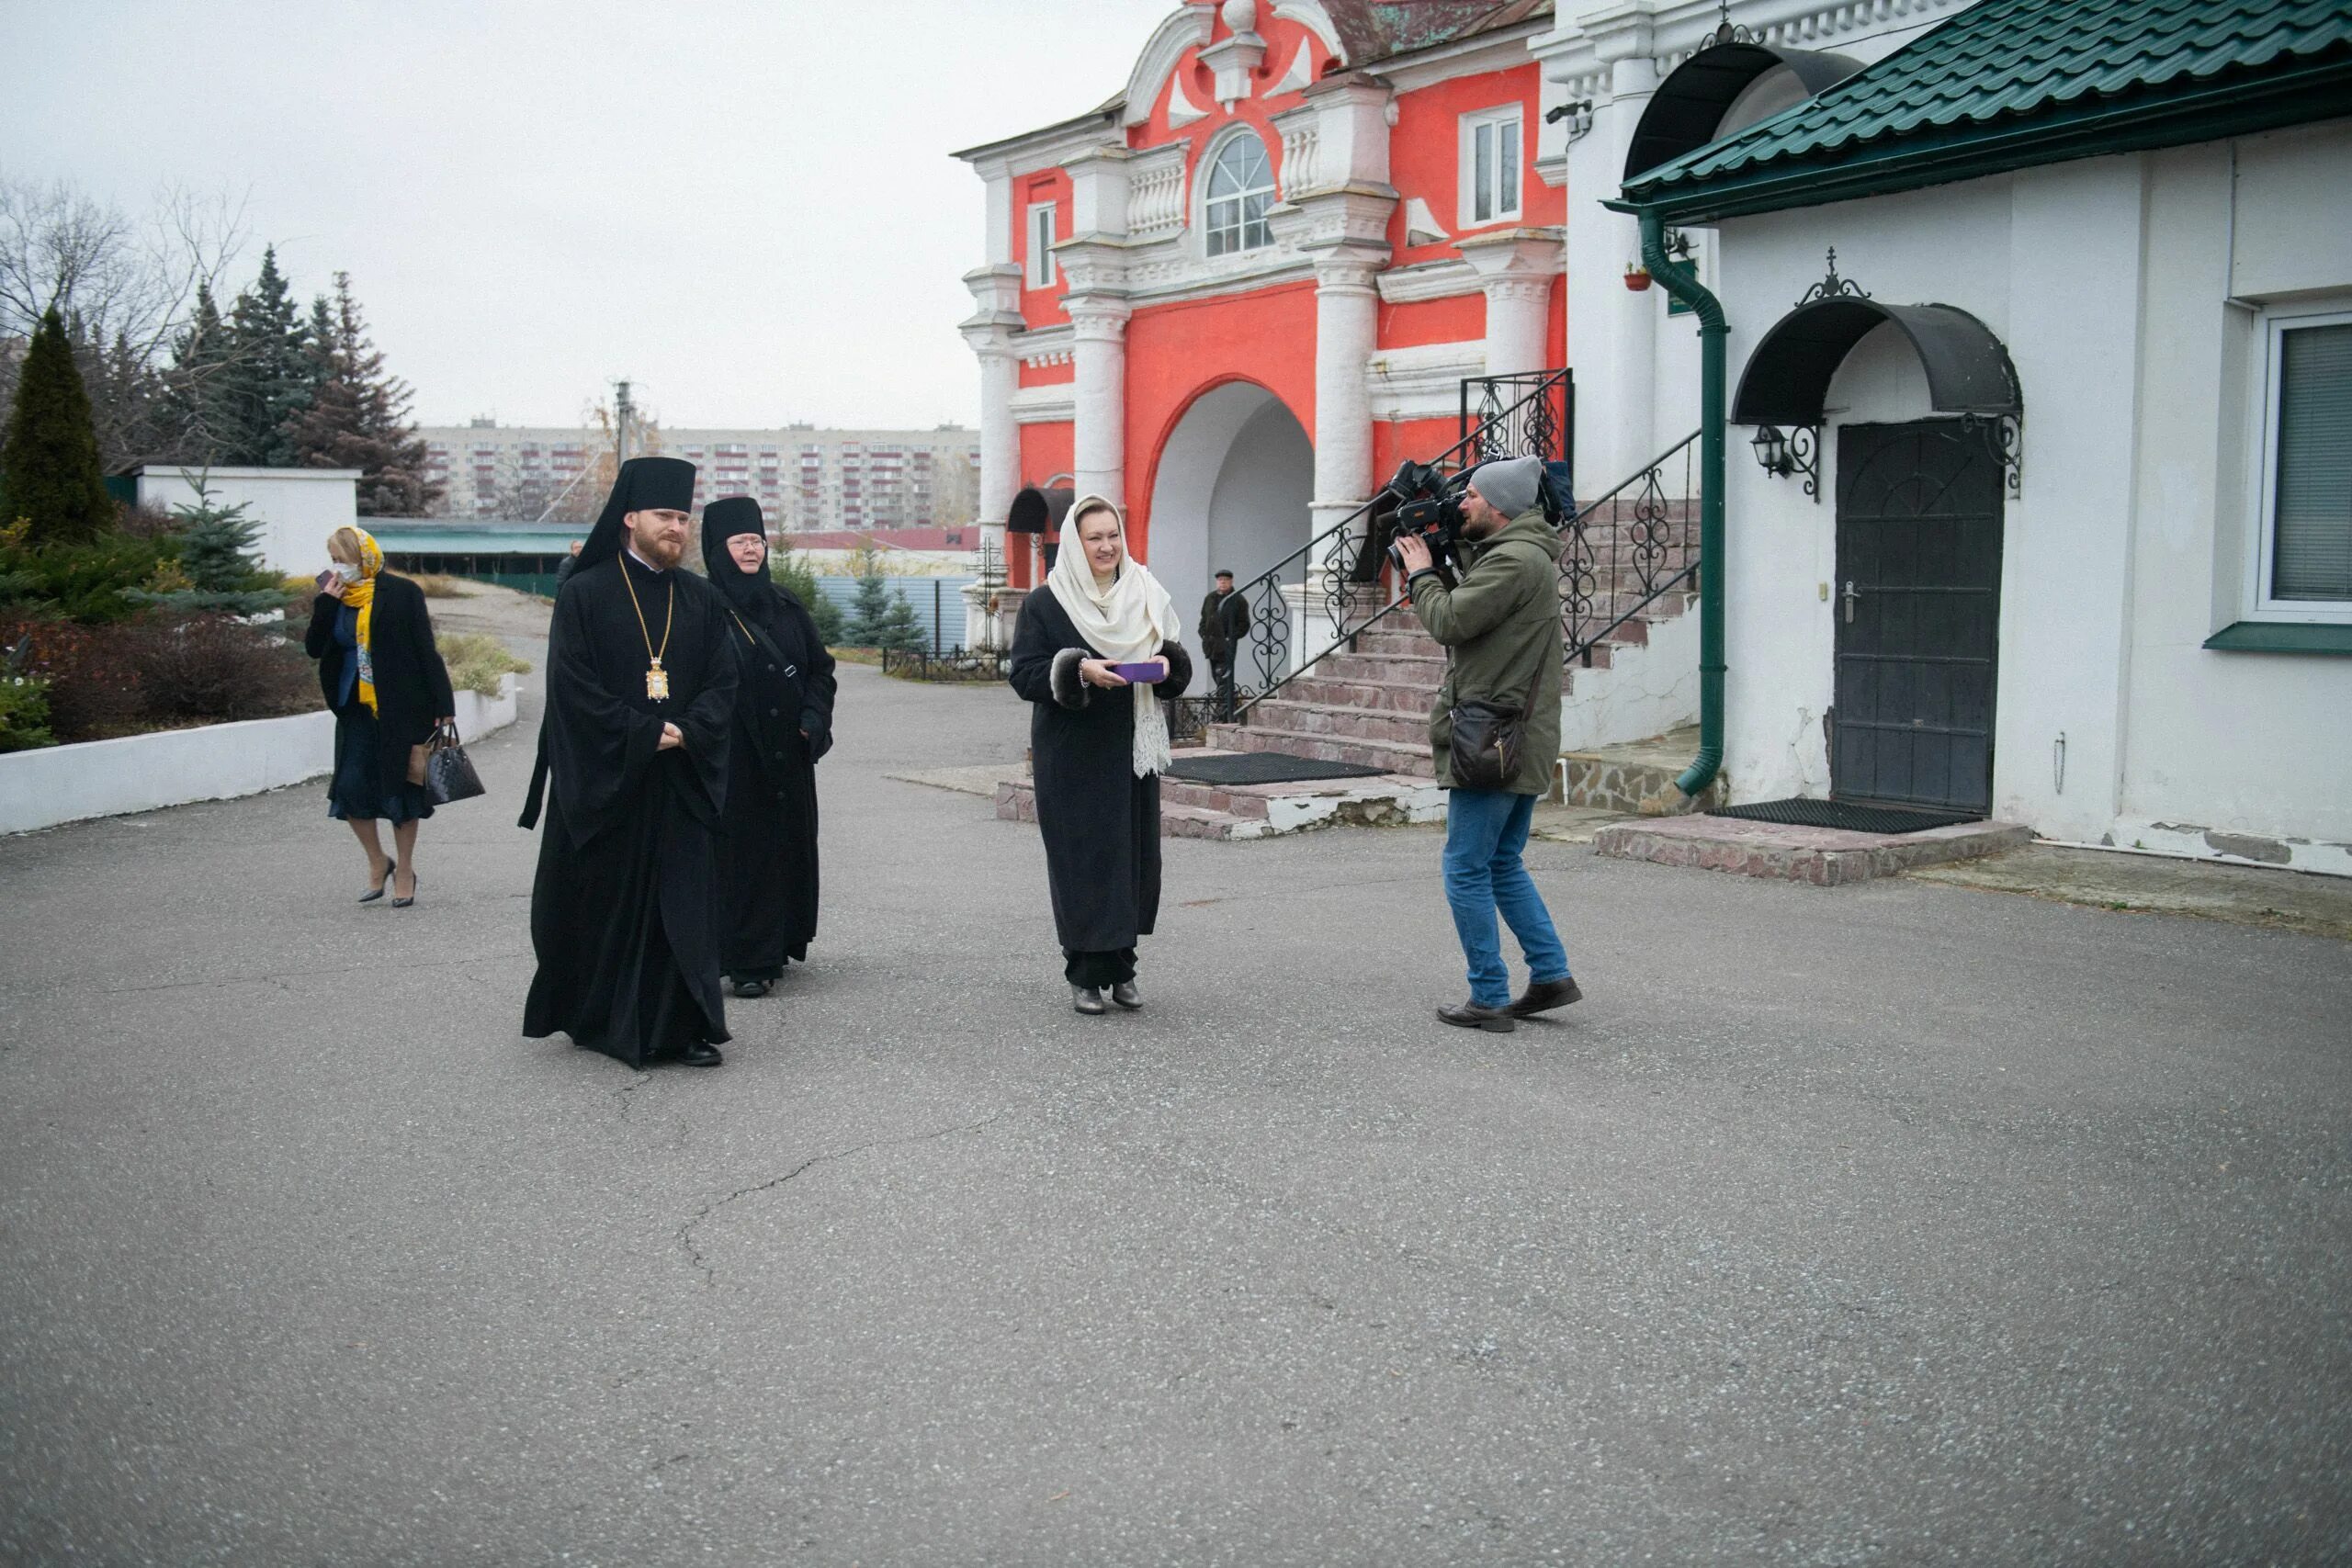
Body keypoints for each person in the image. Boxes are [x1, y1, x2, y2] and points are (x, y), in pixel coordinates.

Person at [519, 457, 740, 1069]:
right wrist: (644, 732)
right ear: (629, 518)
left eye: (683, 518)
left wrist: (688, 730)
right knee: (607, 909)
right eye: (665, 517)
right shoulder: (584, 594)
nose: (677, 528)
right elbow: (572, 688)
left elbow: (725, 681)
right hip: (610, 781)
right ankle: (600, 1020)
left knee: (683, 910)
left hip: (679, 778)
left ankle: (685, 1026)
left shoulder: (700, 597)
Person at [1392, 455, 1579, 1033]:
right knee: (1501, 861)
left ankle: (1488, 996)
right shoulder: (1519, 555)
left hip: (1493, 736)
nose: (1460, 502)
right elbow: (1476, 603)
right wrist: (1446, 549)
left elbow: (1450, 621)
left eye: (1470, 495)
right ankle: (1550, 975)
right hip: (1517, 733)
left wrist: (1423, 570)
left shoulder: (1515, 562)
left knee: (1466, 867)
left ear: (1499, 507)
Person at [1008, 495, 1193, 1015]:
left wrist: (1164, 665)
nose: (1106, 546)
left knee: (1130, 858)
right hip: (1072, 753)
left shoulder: (1145, 591)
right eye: (1094, 537)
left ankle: (1123, 968)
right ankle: (1085, 974)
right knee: (1082, 859)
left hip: (1131, 747)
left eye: (1112, 535)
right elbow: (1023, 673)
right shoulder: (1046, 603)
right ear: (1075, 543)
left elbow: (1176, 658)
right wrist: (1079, 670)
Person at [700, 497, 838, 998]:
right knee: (741, 854)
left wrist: (812, 719)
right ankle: (748, 960)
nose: (752, 550)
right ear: (718, 550)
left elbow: (820, 670)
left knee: (787, 848)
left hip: (789, 752)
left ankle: (777, 941)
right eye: (740, 542)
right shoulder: (702, 606)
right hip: (733, 755)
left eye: (757, 541)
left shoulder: (785, 604)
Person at [303, 525, 456, 908]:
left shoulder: (402, 593)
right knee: (351, 789)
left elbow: (426, 650)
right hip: (353, 707)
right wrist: (325, 603)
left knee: (400, 791)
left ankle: (404, 869)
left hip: (403, 707)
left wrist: (444, 706)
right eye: (334, 559)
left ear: (364, 556)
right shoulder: (336, 596)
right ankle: (377, 860)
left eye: (343, 559)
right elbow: (314, 649)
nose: (338, 566)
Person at [1197, 569, 1249, 713]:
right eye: (1220, 580)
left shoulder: (1238, 600)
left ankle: (1225, 710)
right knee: (1217, 676)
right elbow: (1204, 619)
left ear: (1231, 581)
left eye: (1226, 580)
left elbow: (1244, 624)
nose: (1223, 582)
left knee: (1224, 678)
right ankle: (1227, 706)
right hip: (1210, 646)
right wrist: (1203, 634)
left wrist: (1230, 638)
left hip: (1226, 647)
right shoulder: (1210, 598)